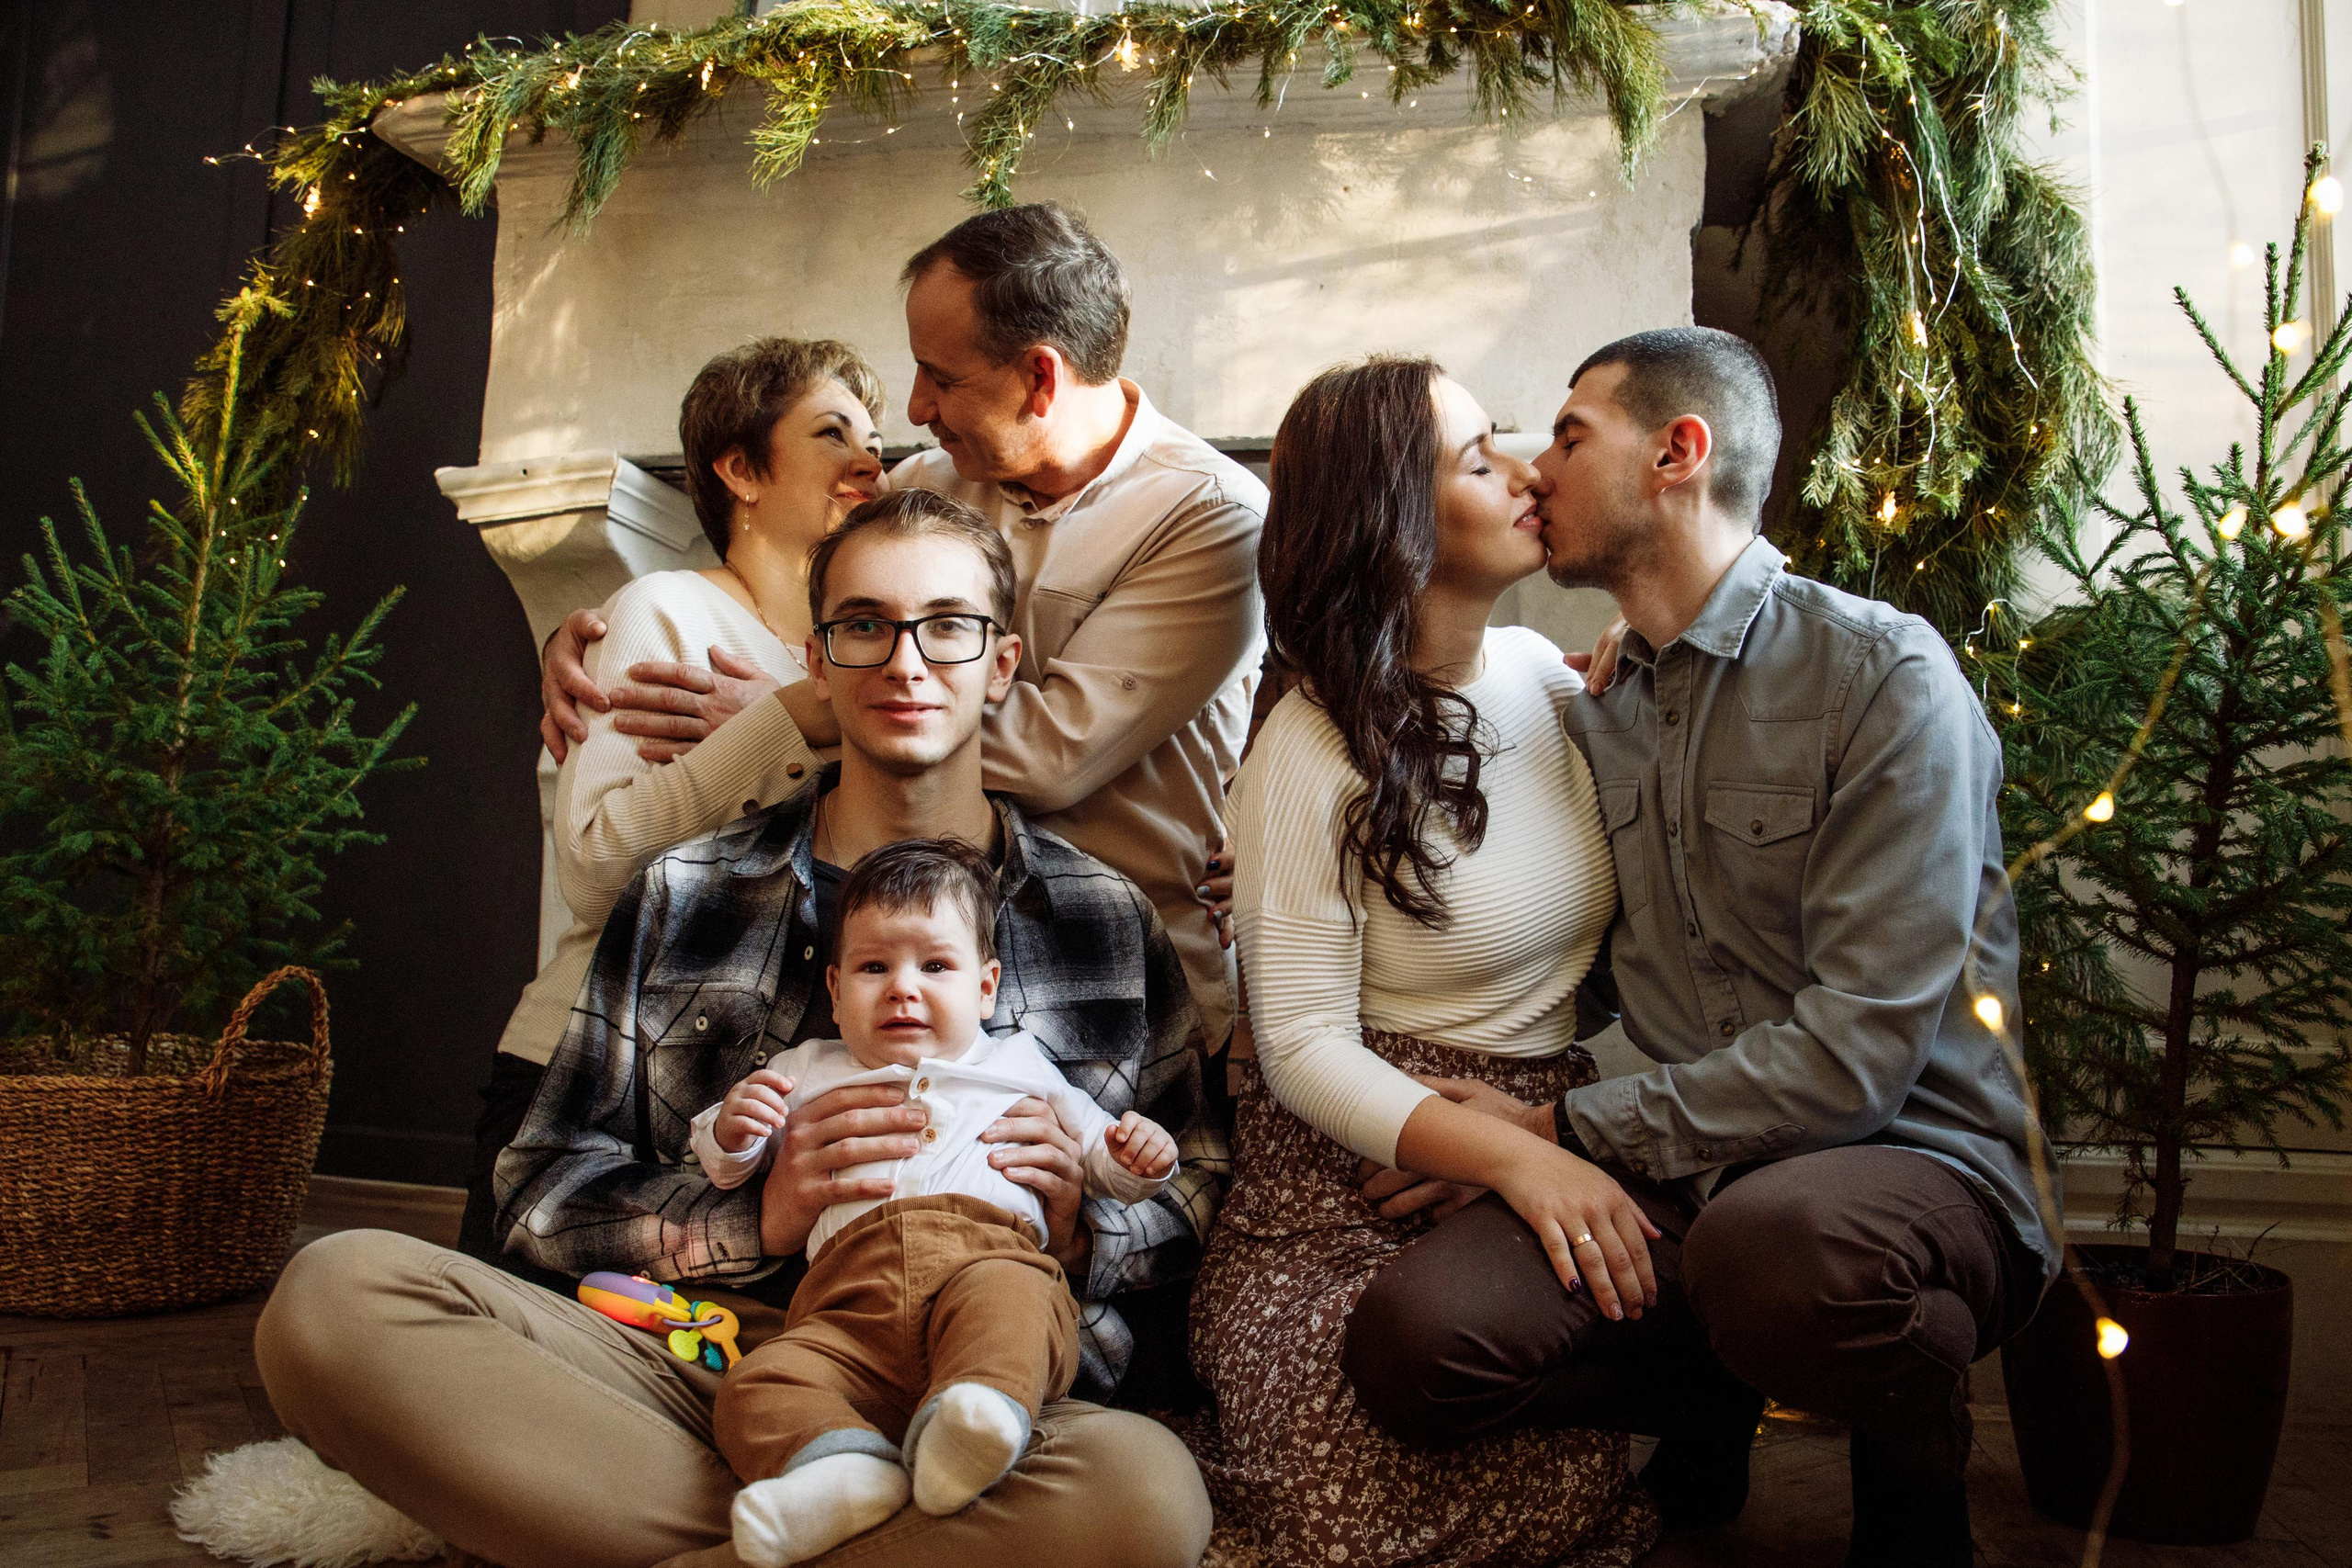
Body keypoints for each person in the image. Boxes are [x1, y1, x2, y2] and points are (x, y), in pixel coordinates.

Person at [255, 491, 1220, 1568]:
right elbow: (536, 1190)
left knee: (1143, 1498)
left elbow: (1200, 1176)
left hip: (985, 1375)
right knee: (333, 1301)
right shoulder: (685, 890)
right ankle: (847, 1510)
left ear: (1000, 663)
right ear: (816, 660)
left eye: (948, 626)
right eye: (865, 625)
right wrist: (750, 1219)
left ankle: (755, 1522)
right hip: (715, 1360)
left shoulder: (1100, 913)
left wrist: (1089, 1227)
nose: (906, 663)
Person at [1335, 328, 2057, 1568]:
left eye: (1568, 435)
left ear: (1678, 452)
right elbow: (1553, 925)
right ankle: (1704, 1386)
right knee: (1416, 1340)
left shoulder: (1884, 677)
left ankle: (1912, 1446)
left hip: (1912, 1158)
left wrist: (1556, 1131)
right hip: (1697, 1179)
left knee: (1775, 1246)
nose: (1528, 466)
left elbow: (1856, 1062)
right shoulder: (1598, 701)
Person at [537, 203, 1265, 1049]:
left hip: (1114, 982)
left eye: (939, 377)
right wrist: (595, 625)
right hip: (911, 977)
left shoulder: (1211, 516)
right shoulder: (940, 479)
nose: (914, 410)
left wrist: (791, 709)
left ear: (1040, 377)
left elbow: (1055, 752)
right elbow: (778, 547)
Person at [1187, 356, 1657, 1568]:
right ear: (1393, 514)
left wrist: (1547, 1134)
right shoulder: (1309, 740)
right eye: (1474, 455)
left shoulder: (1559, 683)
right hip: (1349, 1173)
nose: (1523, 470)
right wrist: (1511, 1159)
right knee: (1343, 1467)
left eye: (1510, 441)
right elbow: (1299, 1046)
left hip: (1543, 1113)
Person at [458, 336, 888, 1269]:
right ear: (739, 469)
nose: (869, 458)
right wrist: (784, 723)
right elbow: (596, 868)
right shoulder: (662, 610)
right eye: (831, 433)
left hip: (725, 1103)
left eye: (874, 437)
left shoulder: (860, 661)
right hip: (584, 1072)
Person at [695, 838, 1179, 1566]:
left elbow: (1099, 1152)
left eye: (935, 965)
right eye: (873, 966)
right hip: (843, 1312)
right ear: (833, 988)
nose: (901, 987)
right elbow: (722, 1158)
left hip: (990, 1264)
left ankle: (976, 1417)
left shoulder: (1020, 1065)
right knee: (755, 1382)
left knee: (1012, 1309)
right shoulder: (807, 1070)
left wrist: (1138, 1156)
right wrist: (735, 1126)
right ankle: (840, 1467)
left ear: (986, 987)